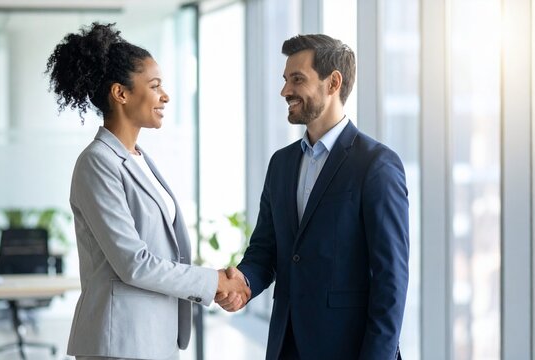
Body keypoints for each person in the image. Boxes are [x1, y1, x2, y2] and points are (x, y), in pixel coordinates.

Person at [45, 22, 250, 360]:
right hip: (120, 342)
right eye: (155, 86)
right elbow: (134, 263)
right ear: (120, 93)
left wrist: (217, 284)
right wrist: (213, 282)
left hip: (153, 337)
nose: (165, 96)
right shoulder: (97, 163)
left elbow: (162, 249)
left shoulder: (139, 159)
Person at [217, 34, 409, 359]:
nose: (285, 91)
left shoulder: (376, 165)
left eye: (297, 79)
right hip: (285, 346)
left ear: (333, 82)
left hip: (348, 349)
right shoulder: (281, 163)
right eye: (285, 80)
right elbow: (266, 250)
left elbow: (391, 280)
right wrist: (244, 282)